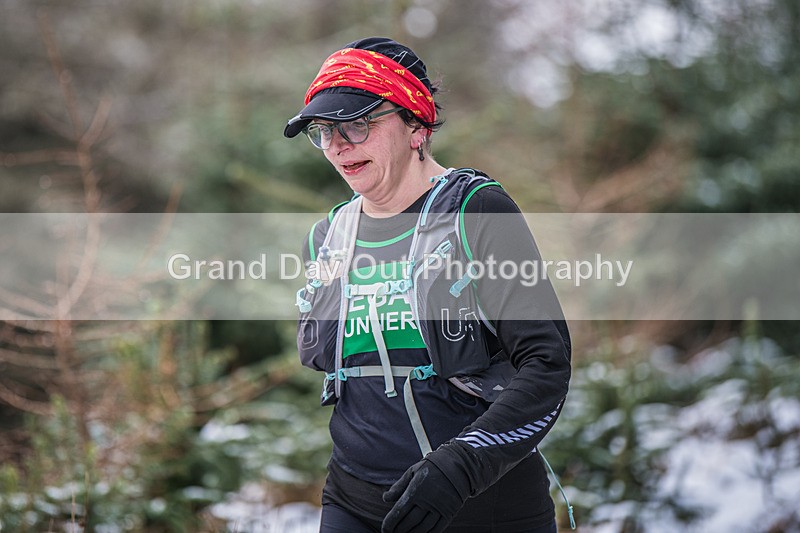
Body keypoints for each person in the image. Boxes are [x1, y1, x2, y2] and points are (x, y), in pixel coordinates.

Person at [284, 37, 572, 533]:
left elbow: (547, 366)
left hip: (483, 506)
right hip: (354, 504)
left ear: (414, 124)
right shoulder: (328, 237)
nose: (337, 144)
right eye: (324, 130)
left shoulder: (476, 212)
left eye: (356, 124)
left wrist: (459, 467)